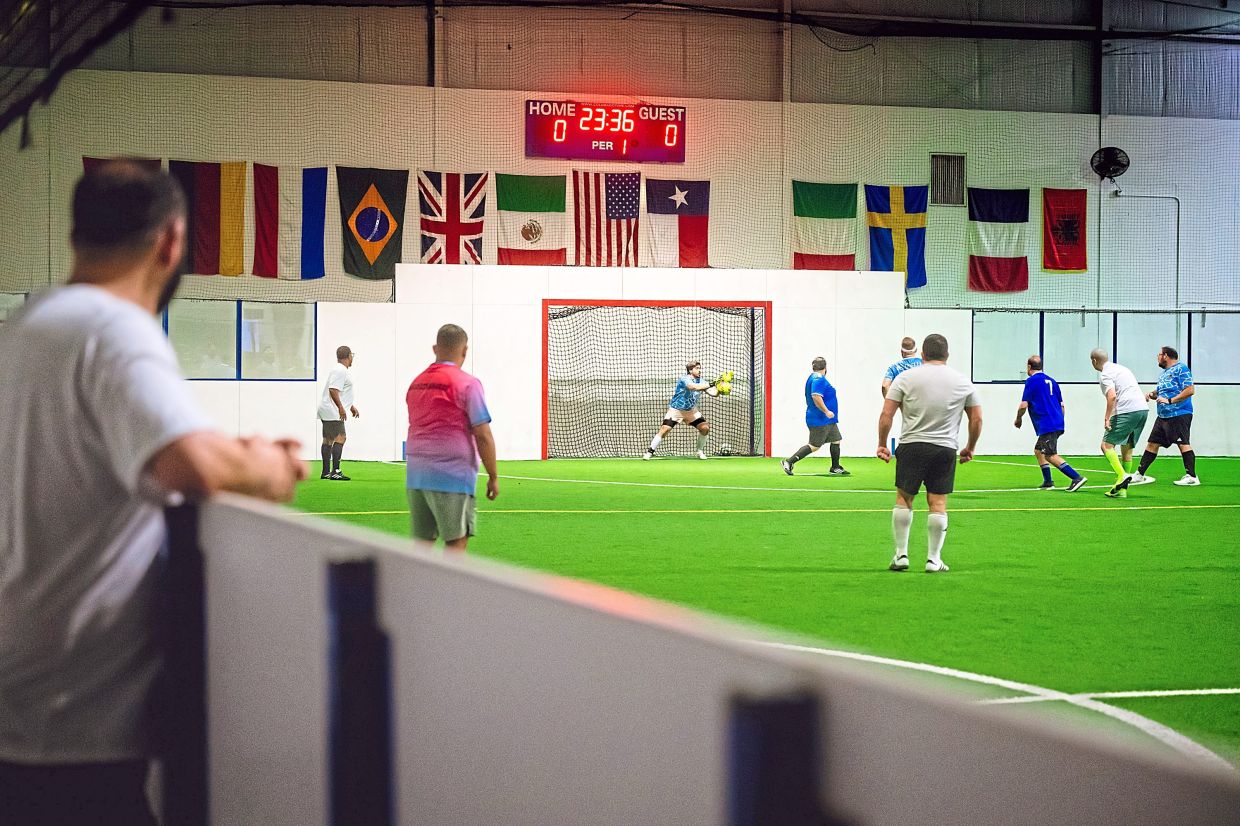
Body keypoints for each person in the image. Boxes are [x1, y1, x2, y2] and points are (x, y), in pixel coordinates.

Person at [0, 161, 306, 824]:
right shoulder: (112, 330)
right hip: (65, 734)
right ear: (171, 241)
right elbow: (193, 466)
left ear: (77, 234)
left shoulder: (24, 329)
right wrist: (268, 467)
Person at [877, 334, 982, 573]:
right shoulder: (962, 381)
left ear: (922, 354)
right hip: (944, 448)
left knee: (904, 499)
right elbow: (976, 418)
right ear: (947, 355)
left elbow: (886, 414)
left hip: (911, 446)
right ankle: (934, 559)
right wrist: (970, 447)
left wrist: (882, 443)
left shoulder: (904, 378)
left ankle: (901, 555)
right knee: (938, 503)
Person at [405, 324, 499, 552]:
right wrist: (493, 476)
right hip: (452, 475)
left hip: (416, 475)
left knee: (422, 544)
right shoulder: (468, 384)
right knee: (456, 541)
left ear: (435, 348)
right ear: (464, 350)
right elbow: (483, 434)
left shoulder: (416, 383)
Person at [1014, 355, 1086, 492]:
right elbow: (1062, 405)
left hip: (1047, 424)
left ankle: (1076, 478)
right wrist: (1059, 420)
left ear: (1029, 367)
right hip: (1056, 421)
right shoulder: (1052, 381)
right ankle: (1048, 481)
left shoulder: (1031, 381)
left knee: (1050, 454)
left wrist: (1018, 419)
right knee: (1039, 450)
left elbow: (1024, 405)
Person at [1133, 346, 1199, 487]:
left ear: (1166, 356)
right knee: (1152, 443)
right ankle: (1139, 474)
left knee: (1183, 443)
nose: (1157, 357)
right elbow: (1161, 392)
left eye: (1159, 354)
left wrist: (1170, 401)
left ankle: (1192, 477)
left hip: (1179, 413)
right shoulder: (1164, 374)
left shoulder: (1181, 369)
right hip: (1163, 416)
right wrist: (1151, 394)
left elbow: (1190, 390)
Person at [1089, 348, 1149, 498]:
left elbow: (1112, 396)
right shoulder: (1122, 369)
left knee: (1106, 445)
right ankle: (1122, 491)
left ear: (1094, 361)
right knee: (1127, 448)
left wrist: (1107, 418)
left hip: (1126, 410)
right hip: (1142, 410)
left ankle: (1122, 475)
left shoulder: (1105, 374)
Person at [782, 356, 848, 476]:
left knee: (836, 440)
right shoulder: (819, 379)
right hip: (820, 419)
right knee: (814, 445)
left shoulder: (814, 377)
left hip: (827, 420)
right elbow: (816, 396)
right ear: (825, 368)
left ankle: (835, 467)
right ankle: (789, 462)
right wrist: (826, 411)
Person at [644, 360, 714, 460]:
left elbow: (713, 393)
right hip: (676, 410)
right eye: (697, 368)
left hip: (691, 411)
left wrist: (721, 389)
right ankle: (650, 452)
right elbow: (692, 387)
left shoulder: (702, 381)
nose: (699, 370)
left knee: (705, 428)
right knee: (665, 429)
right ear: (690, 370)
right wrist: (711, 384)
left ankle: (699, 451)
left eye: (700, 368)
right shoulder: (684, 379)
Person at [318, 345, 360, 480]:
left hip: (328, 409)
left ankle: (326, 472)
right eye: (352, 355)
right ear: (349, 356)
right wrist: (341, 408)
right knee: (341, 437)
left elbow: (340, 391)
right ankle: (335, 471)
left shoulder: (338, 370)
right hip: (333, 410)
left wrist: (350, 406)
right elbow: (333, 390)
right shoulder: (340, 370)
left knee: (328, 439)